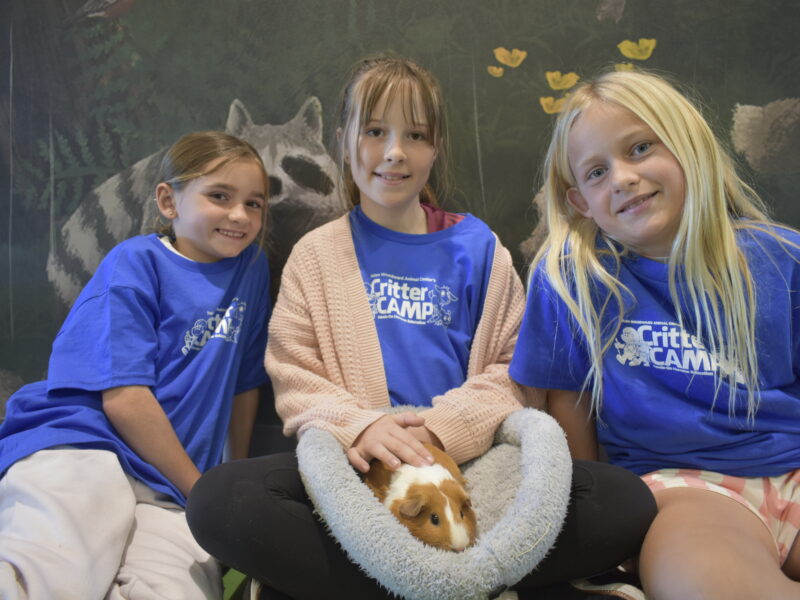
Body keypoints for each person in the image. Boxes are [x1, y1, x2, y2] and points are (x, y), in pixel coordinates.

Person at [186, 57, 655, 600]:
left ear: (435, 148)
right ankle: (475, 584)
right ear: (343, 140)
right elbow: (295, 376)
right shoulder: (315, 255)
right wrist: (362, 427)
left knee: (626, 501)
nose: (394, 152)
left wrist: (438, 431)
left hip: (473, 471)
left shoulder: (478, 248)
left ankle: (379, 587)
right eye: (375, 131)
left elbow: (514, 372)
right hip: (357, 476)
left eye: (415, 135)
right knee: (220, 501)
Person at [509, 68, 800, 599]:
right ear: (581, 203)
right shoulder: (571, 278)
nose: (620, 177)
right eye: (596, 173)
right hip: (688, 492)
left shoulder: (780, 257)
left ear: (688, 147)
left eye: (640, 148)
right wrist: (595, 526)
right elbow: (567, 402)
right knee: (703, 584)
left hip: (793, 464)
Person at [0, 131, 272, 600]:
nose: (239, 215)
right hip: (87, 445)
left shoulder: (252, 269)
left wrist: (229, 484)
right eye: (219, 196)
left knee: (176, 588)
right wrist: (203, 491)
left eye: (255, 204)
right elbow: (125, 400)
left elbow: (245, 383)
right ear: (169, 200)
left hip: (172, 483)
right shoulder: (135, 263)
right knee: (51, 567)